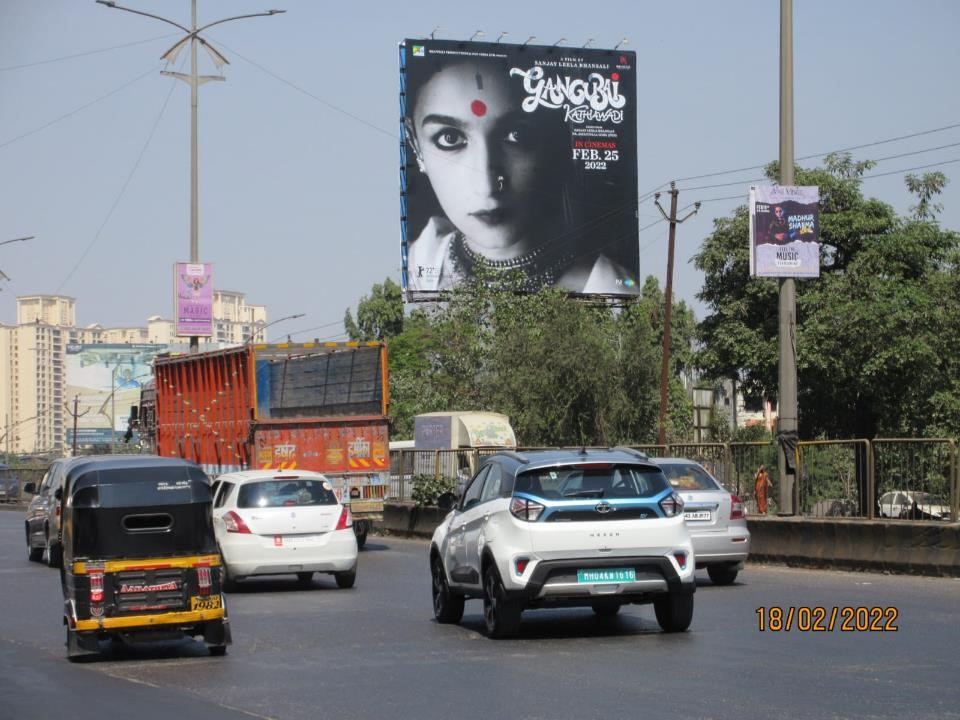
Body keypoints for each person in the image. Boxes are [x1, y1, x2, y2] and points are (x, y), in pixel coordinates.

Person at [403, 57, 638, 295]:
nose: (487, 185)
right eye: (450, 138)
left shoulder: (613, 295)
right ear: (414, 143)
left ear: (554, 137)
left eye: (517, 134)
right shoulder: (412, 269)